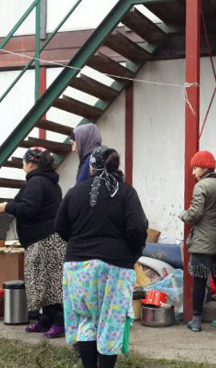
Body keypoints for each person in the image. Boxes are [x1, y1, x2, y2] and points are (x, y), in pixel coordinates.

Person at [55, 147, 147, 368]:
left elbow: (60, 227)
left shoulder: (74, 192)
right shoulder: (126, 192)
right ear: (116, 166)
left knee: (86, 321)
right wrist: (132, 253)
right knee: (110, 323)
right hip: (114, 267)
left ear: (91, 167)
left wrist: (80, 244)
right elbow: (137, 228)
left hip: (77, 267)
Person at [0, 147, 65, 338]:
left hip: (44, 240)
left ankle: (59, 321)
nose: (22, 166)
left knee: (49, 285)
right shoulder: (48, 182)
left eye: (23, 162)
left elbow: (29, 207)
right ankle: (46, 320)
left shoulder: (36, 182)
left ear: (30, 163)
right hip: (46, 239)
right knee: (44, 283)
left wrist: (7, 206)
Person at [179, 150, 216, 333]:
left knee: (200, 280)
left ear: (204, 167)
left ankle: (197, 320)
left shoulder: (201, 186)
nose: (193, 173)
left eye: (195, 168)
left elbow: (195, 213)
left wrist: (182, 214)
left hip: (202, 241)